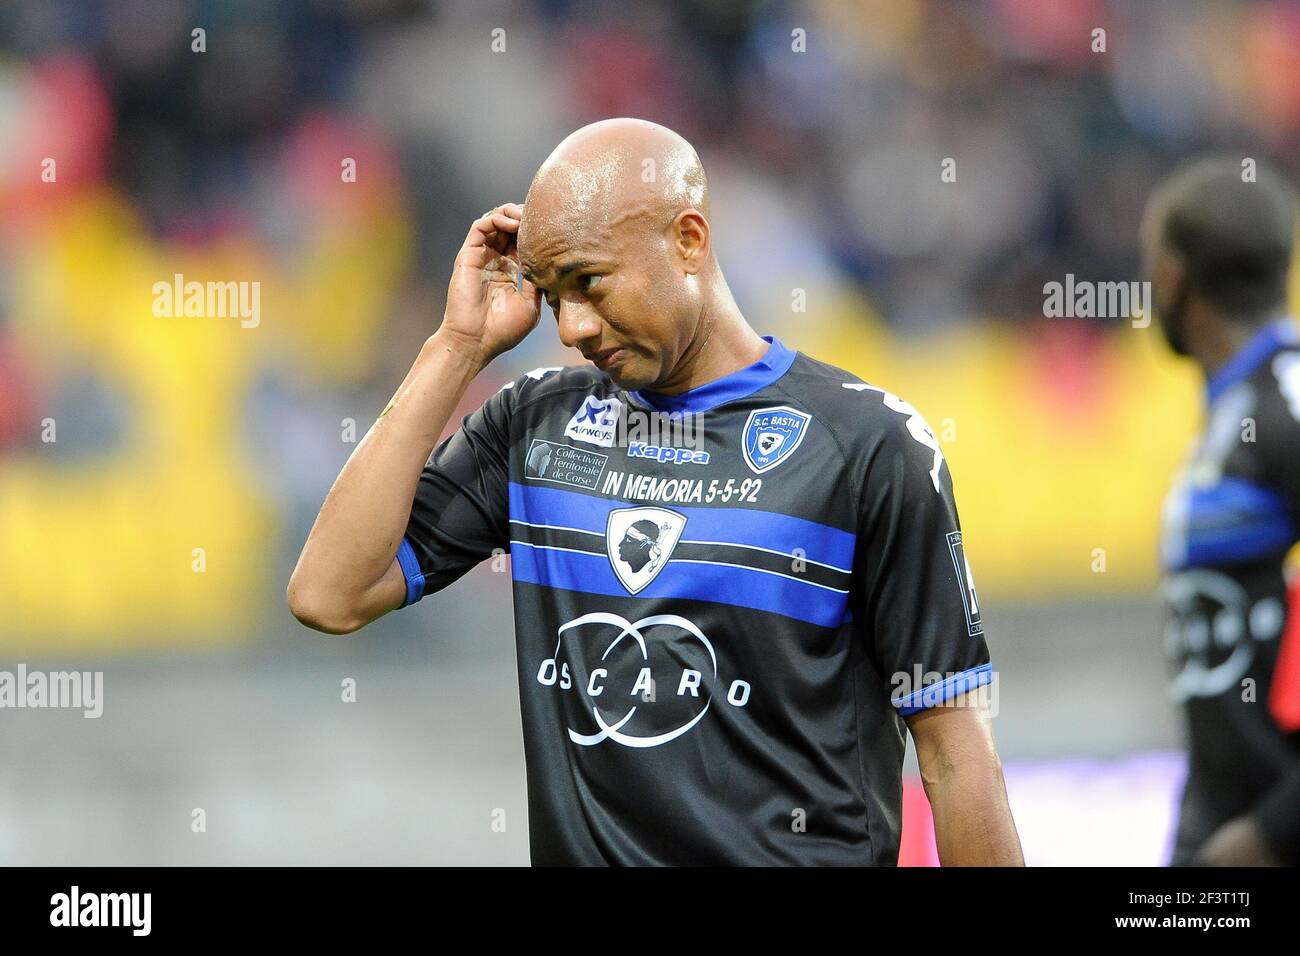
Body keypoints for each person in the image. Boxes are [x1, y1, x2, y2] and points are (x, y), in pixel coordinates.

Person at [288, 117, 1023, 866]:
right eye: (550, 295)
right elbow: (329, 593)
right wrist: (457, 347)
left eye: (589, 282)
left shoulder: (866, 446)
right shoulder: (534, 429)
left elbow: (954, 749)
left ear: (689, 239)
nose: (571, 326)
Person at [1142, 156, 1300, 866]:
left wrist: (1270, 831)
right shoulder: (1236, 410)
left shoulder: (1286, 400)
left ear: (1173, 276)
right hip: (1218, 827)